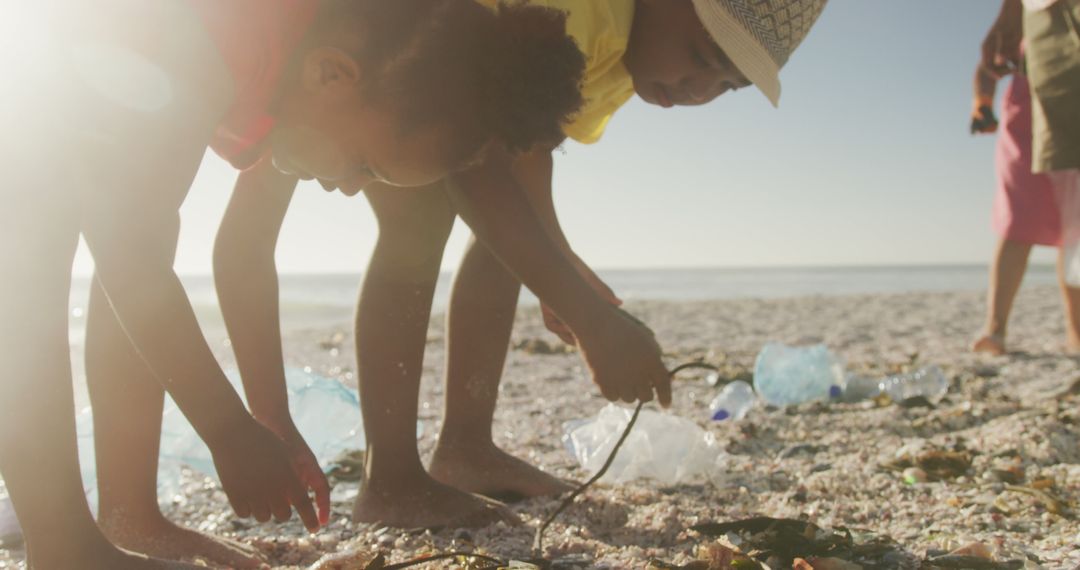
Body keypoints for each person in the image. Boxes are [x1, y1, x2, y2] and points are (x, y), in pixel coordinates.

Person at [0, 0, 587, 567]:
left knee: (126, 235)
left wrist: (266, 419)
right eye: (366, 163)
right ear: (332, 75)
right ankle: (64, 547)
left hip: (60, 96)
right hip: (33, 79)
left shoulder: (277, 60)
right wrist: (227, 430)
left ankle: (118, 523)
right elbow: (127, 254)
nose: (355, 188)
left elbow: (138, 247)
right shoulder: (223, 41)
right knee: (27, 266)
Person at [213, 0, 828, 529]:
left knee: (510, 238)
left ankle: (466, 446)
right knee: (418, 218)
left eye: (725, 85)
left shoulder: (624, 51)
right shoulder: (591, 11)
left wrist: (559, 266)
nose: (700, 90)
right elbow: (477, 162)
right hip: (383, 58)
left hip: (410, 90)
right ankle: (392, 476)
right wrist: (590, 318)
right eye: (700, 54)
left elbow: (521, 147)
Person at [977, 0, 1080, 353]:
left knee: (1076, 228)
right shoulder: (1028, 35)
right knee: (1017, 218)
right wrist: (982, 105)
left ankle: (1077, 332)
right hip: (1029, 111)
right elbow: (986, 69)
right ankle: (995, 327)